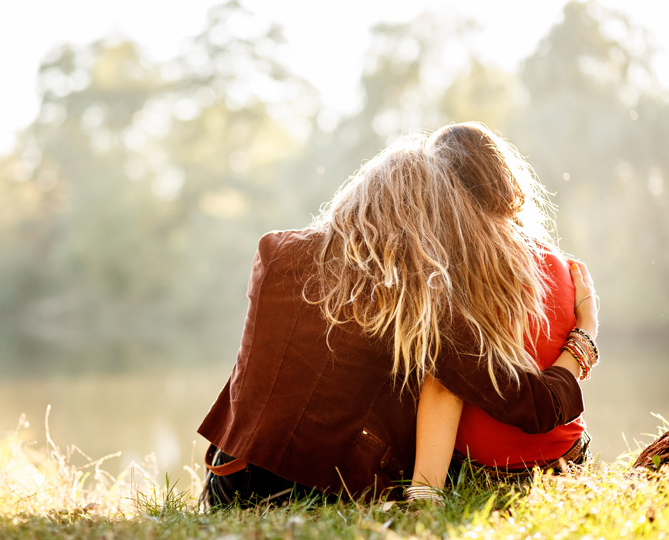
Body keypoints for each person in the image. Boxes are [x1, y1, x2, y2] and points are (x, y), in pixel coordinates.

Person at [197, 124, 599, 507]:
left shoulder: (275, 251)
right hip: (328, 492)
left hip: (229, 480)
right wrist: (585, 335)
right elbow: (536, 407)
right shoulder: (418, 294)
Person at [406, 123, 599, 504]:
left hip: (487, 473)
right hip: (566, 459)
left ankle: (426, 489)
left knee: (433, 366)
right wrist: (589, 328)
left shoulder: (453, 272)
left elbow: (445, 387)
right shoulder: (561, 265)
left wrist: (425, 493)